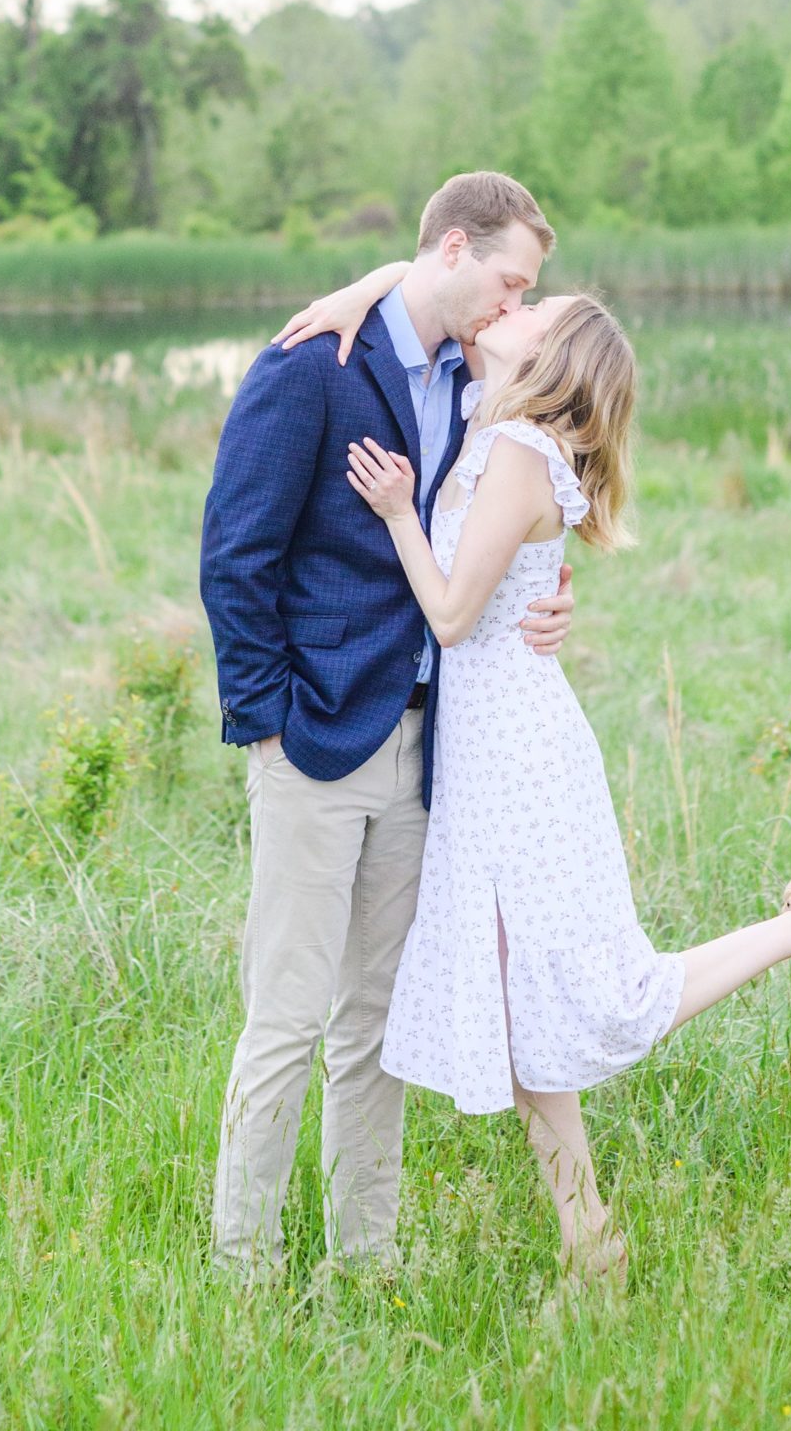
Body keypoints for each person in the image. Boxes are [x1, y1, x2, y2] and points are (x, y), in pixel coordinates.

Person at [299, 271, 791, 1280]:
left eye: (532, 311)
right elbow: (436, 262)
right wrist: (355, 296)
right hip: (489, 749)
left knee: (604, 997)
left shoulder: (515, 450)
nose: (512, 308)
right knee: (521, 1009)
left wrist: (396, 513)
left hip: (516, 757)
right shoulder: (491, 420)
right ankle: (588, 1236)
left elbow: (453, 616)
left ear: (553, 358)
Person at [199, 171, 576, 1272]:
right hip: (311, 741)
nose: (515, 306)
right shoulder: (311, 363)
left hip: (428, 753)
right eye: (508, 282)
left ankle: (362, 1260)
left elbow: (512, 515)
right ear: (454, 248)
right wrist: (263, 718)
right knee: (285, 1014)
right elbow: (235, 554)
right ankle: (244, 1265)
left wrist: (548, 594)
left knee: (375, 1023)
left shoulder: (477, 376)